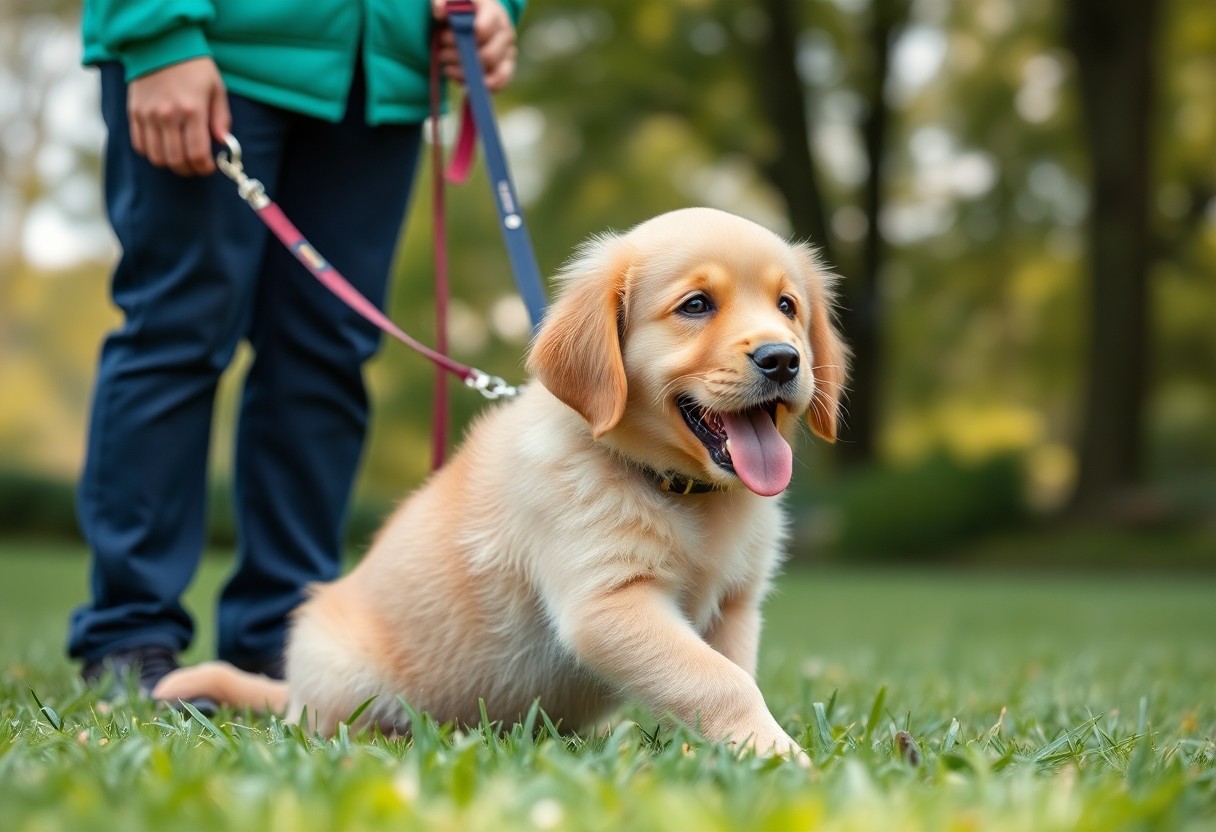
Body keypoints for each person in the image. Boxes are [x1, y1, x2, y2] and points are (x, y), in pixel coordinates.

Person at [69, 0, 524, 699]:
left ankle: (283, 642)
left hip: (379, 77)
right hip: (218, 50)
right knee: (179, 334)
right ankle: (129, 636)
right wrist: (154, 29)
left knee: (327, 355)